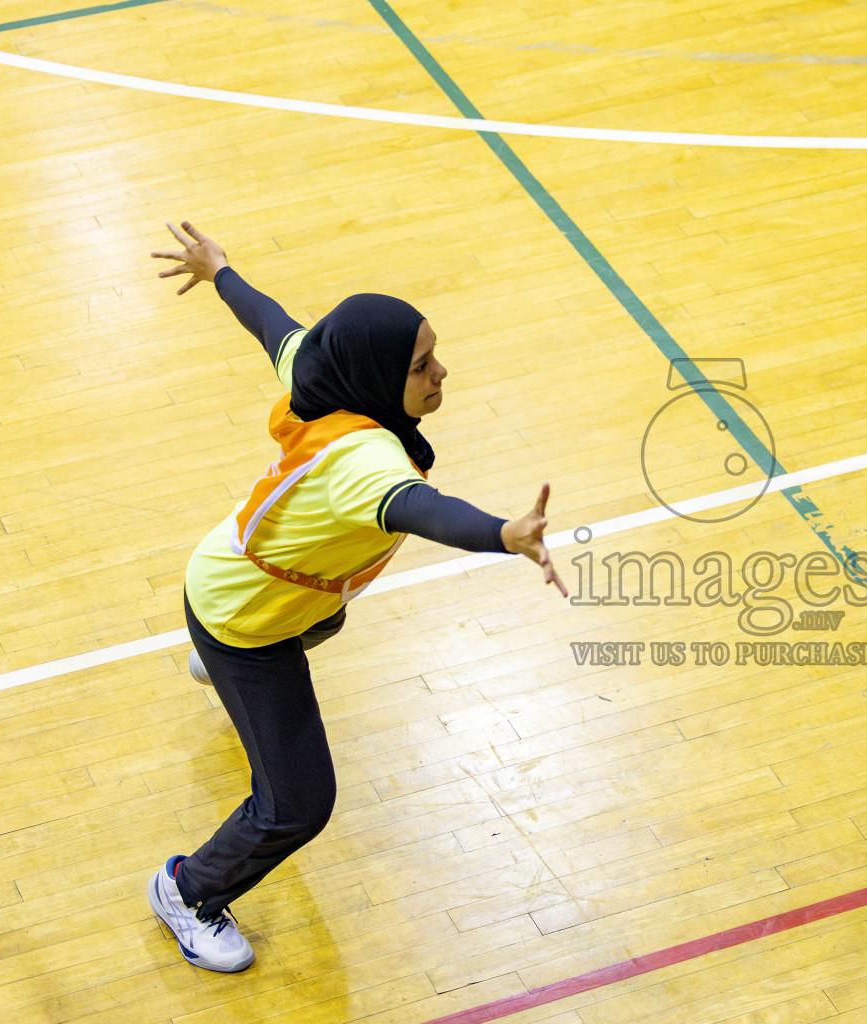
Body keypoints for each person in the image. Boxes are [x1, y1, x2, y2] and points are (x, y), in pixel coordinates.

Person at [145, 221, 567, 971]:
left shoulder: (326, 371)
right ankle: (187, 890)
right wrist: (504, 534)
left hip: (244, 580)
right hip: (243, 621)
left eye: (433, 355)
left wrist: (220, 270)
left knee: (329, 620)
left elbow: (274, 326)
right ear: (378, 374)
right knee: (298, 804)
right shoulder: (363, 462)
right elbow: (422, 509)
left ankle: (218, 669)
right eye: (421, 366)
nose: (441, 373)